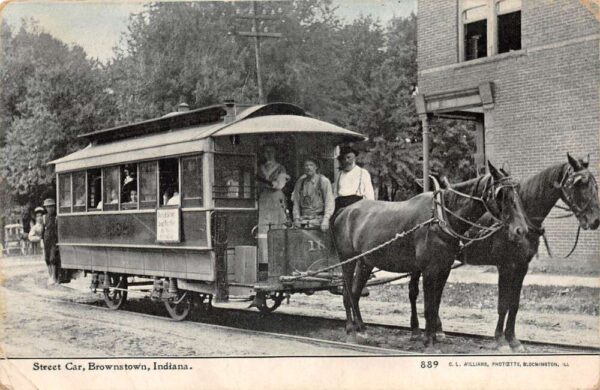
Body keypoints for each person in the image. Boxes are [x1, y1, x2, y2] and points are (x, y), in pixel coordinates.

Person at [257, 144, 290, 263]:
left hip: (276, 199)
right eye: (266, 152)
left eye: (271, 151)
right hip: (264, 199)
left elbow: (279, 184)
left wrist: (268, 183)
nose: (269, 154)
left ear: (275, 153)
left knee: (278, 227)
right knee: (263, 229)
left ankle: (278, 260)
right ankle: (264, 262)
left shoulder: (281, 168)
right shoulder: (260, 168)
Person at [291, 158, 334, 232]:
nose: (308, 168)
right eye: (306, 165)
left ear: (316, 167)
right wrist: (296, 218)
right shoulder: (300, 182)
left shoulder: (323, 181)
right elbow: (296, 202)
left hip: (319, 221)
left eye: (311, 165)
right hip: (302, 220)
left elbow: (329, 201)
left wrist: (326, 219)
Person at [333, 146, 375, 213]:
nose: (346, 160)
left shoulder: (363, 173)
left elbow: (369, 194)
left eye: (349, 157)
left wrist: (370, 211)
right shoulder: (339, 174)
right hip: (340, 206)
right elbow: (335, 194)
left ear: (354, 158)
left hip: (356, 207)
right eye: (344, 158)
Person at [42, 198, 60, 286]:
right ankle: (50, 277)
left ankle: (54, 277)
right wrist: (42, 241)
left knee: (53, 258)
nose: (50, 209)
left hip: (54, 239)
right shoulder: (44, 217)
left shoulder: (57, 217)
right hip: (46, 240)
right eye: (48, 207)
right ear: (46, 208)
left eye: (51, 207)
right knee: (47, 259)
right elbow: (42, 230)